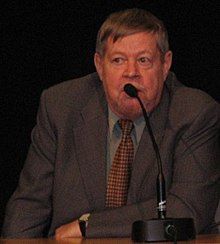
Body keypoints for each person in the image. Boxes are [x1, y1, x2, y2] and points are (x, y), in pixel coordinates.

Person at [2, 8, 220, 239]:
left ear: (165, 65)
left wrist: (89, 225)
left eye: (143, 60)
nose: (131, 73)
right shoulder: (60, 107)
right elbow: (28, 207)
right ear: (99, 65)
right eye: (118, 60)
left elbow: (187, 209)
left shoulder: (194, 113)